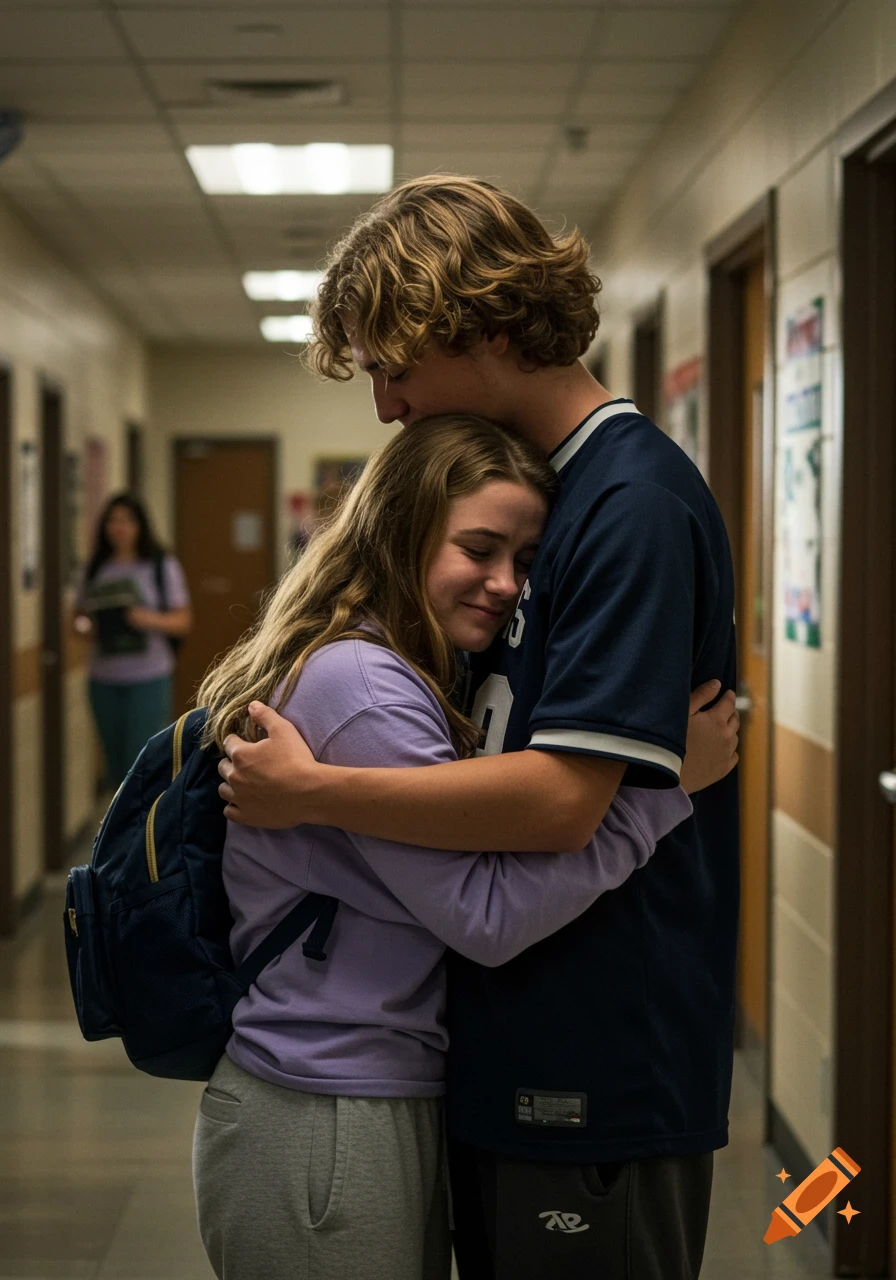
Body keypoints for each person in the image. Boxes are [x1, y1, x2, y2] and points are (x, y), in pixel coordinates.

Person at [217, 176, 740, 1280]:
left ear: (483, 327)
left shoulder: (627, 503)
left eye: (393, 368)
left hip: (595, 1055)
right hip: (501, 1051)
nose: (385, 405)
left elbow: (559, 801)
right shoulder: (551, 491)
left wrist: (316, 790)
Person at [75, 493, 192, 789]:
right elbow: (76, 621)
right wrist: (89, 625)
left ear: (140, 526)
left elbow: (183, 622)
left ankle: (144, 831)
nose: (119, 527)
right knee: (115, 765)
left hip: (148, 678)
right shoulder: (94, 569)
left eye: (127, 520)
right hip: (103, 679)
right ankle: (123, 829)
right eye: (113, 521)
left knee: (140, 763)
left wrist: (145, 619)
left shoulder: (160, 565)